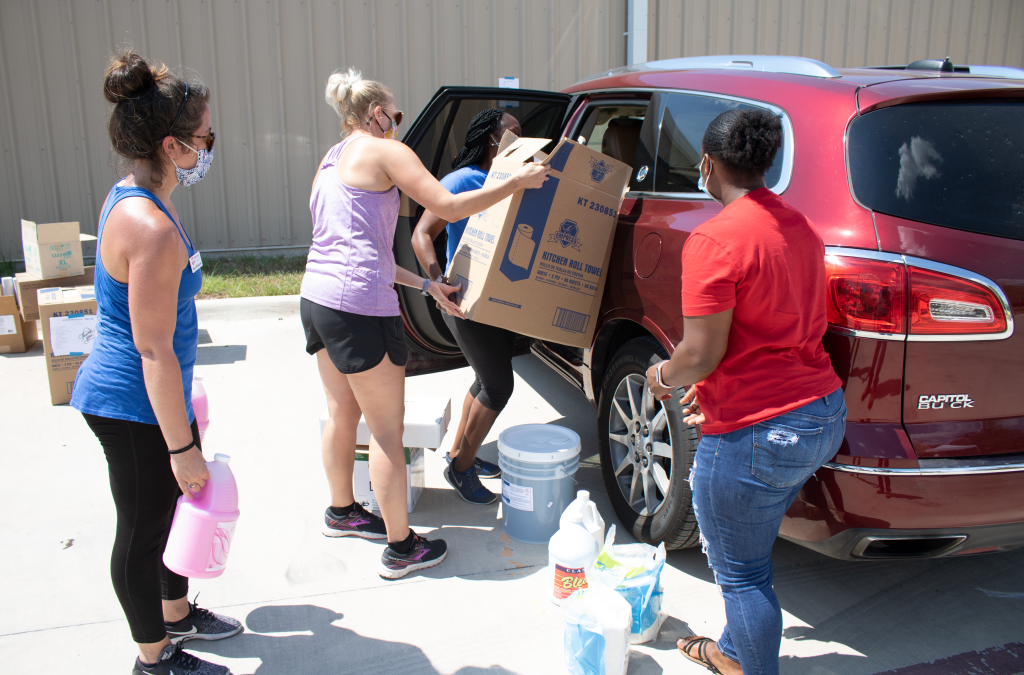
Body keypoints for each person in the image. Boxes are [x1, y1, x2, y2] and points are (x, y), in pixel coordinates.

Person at [303, 70, 549, 579]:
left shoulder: (331, 160)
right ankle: (401, 548)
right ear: (374, 114)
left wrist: (425, 284)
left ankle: (342, 512)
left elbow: (358, 247)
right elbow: (448, 205)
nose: (397, 123)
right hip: (358, 308)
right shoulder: (386, 152)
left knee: (340, 413)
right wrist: (518, 182)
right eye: (394, 114)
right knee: (388, 433)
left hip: (317, 299)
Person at [645, 108, 846, 675]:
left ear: (707, 165)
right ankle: (732, 651)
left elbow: (700, 353)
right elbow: (770, 327)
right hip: (822, 415)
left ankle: (747, 664)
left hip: (761, 432)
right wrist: (710, 385)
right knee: (748, 550)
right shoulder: (800, 227)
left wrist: (662, 378)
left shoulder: (714, 240)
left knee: (743, 574)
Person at [70, 51, 241, 675]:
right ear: (172, 146)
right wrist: (181, 446)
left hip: (154, 398)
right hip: (129, 401)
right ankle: (154, 657)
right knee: (142, 535)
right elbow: (151, 348)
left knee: (174, 512)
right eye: (205, 139)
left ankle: (176, 613)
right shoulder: (149, 226)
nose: (209, 149)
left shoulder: (142, 198)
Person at [411, 108, 522, 505]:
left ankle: (460, 451)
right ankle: (461, 470)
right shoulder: (462, 181)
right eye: (508, 134)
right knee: (498, 386)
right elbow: (422, 235)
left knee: (483, 379)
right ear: (488, 139)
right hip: (465, 300)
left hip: (503, 297)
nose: (515, 142)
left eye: (519, 135)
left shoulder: (513, 182)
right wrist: (438, 281)